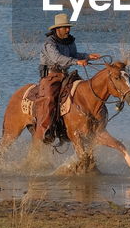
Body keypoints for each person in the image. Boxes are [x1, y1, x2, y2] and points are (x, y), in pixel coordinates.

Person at [35, 14, 102, 143]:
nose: (68, 30)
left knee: (83, 90)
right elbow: (58, 59)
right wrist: (77, 62)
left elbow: (74, 54)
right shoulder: (49, 43)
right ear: (57, 29)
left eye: (68, 27)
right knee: (49, 98)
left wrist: (87, 56)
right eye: (65, 28)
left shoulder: (70, 40)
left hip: (65, 75)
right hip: (50, 77)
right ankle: (46, 130)